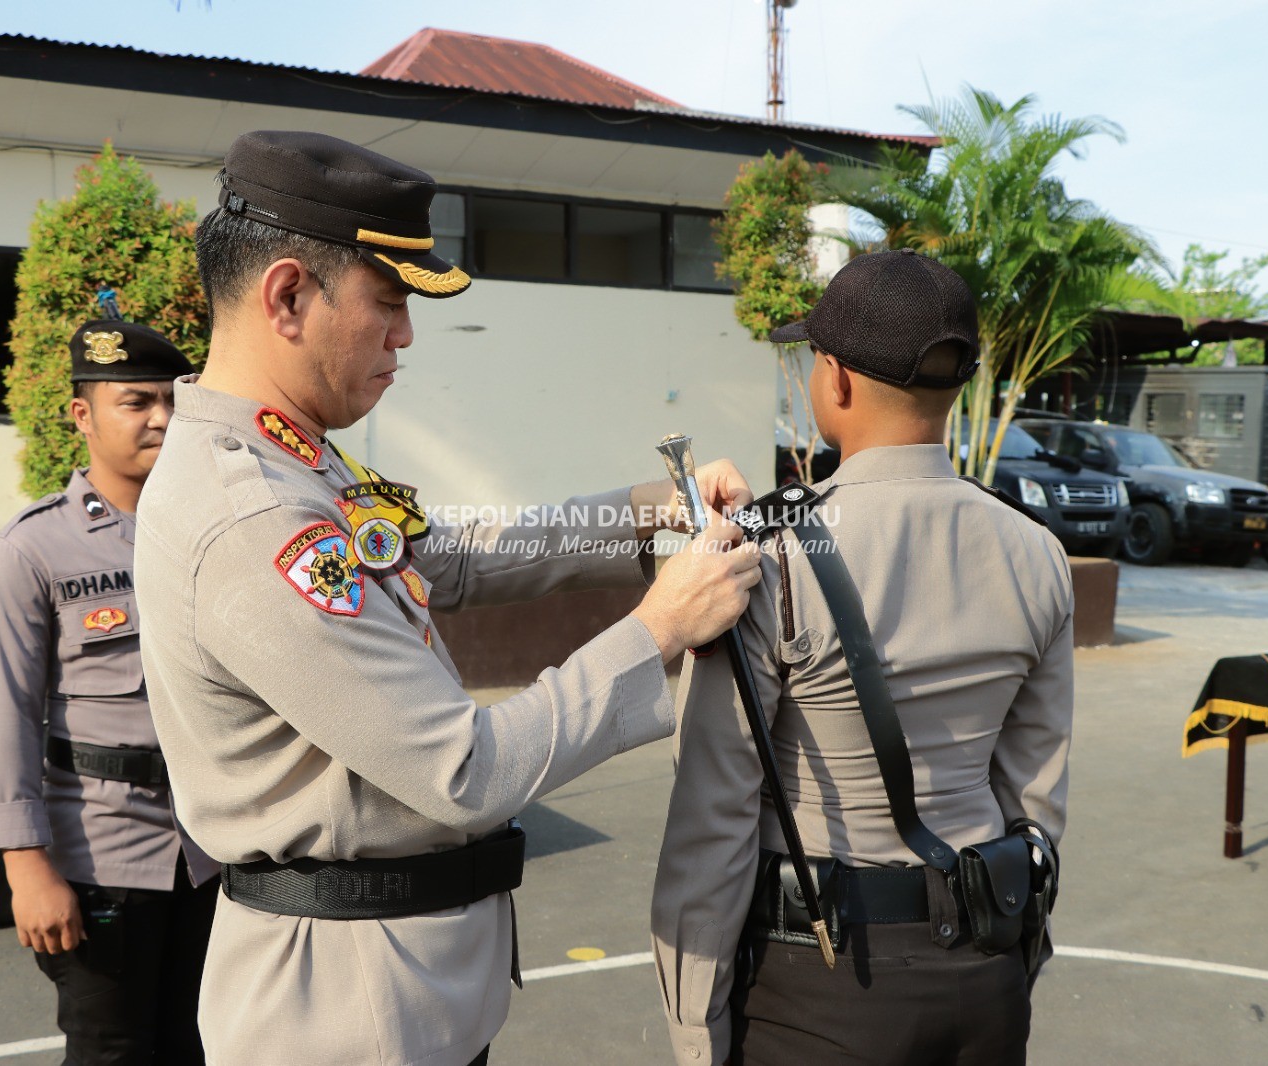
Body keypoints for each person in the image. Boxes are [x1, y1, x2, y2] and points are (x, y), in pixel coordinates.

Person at [131, 130, 762, 1066]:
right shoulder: (253, 514)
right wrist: (661, 627)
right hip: (346, 1013)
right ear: (289, 295)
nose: (405, 336)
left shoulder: (292, 454)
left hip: (393, 986)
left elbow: (451, 559)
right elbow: (464, 771)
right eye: (388, 304)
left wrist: (651, 510)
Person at [650, 250, 1074, 1065]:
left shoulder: (770, 556)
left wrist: (696, 1029)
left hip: (821, 978)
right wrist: (1018, 956)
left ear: (835, 381)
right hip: (984, 963)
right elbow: (1036, 794)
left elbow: (714, 819)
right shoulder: (1037, 552)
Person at [0, 319, 219, 1065]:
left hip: (216, 847)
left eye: (175, 401)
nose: (162, 419)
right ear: (83, 414)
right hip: (102, 857)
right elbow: (5, 716)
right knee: (112, 1051)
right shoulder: (32, 550)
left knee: (210, 1043)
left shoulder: (211, 532)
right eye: (137, 401)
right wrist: (26, 868)